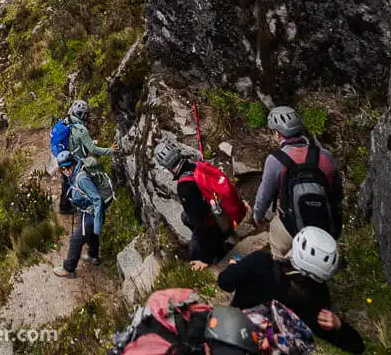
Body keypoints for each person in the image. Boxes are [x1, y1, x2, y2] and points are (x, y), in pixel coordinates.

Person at [216, 227, 364, 353]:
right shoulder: (316, 296)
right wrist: (339, 325)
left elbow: (224, 282)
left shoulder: (260, 262)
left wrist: (233, 266)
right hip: (271, 349)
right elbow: (356, 346)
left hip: (235, 334)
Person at [252, 106, 342, 259]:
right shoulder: (326, 156)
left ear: (277, 133)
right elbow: (338, 194)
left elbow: (264, 195)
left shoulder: (275, 160)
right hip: (325, 226)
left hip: (290, 228)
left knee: (277, 245)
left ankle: (281, 268)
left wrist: (257, 215)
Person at [153, 141, 235, 267]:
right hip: (222, 209)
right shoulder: (195, 165)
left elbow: (198, 219)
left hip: (212, 222)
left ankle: (217, 253)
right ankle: (219, 242)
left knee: (194, 255)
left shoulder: (184, 186)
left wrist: (199, 244)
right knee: (184, 217)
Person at [53, 150, 103, 279]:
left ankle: (68, 269)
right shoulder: (74, 173)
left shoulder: (81, 178)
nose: (65, 171)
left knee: (76, 238)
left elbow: (97, 199)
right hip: (84, 210)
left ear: (73, 164)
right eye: (62, 169)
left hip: (90, 214)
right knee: (90, 234)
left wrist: (97, 224)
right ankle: (93, 256)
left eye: (68, 167)